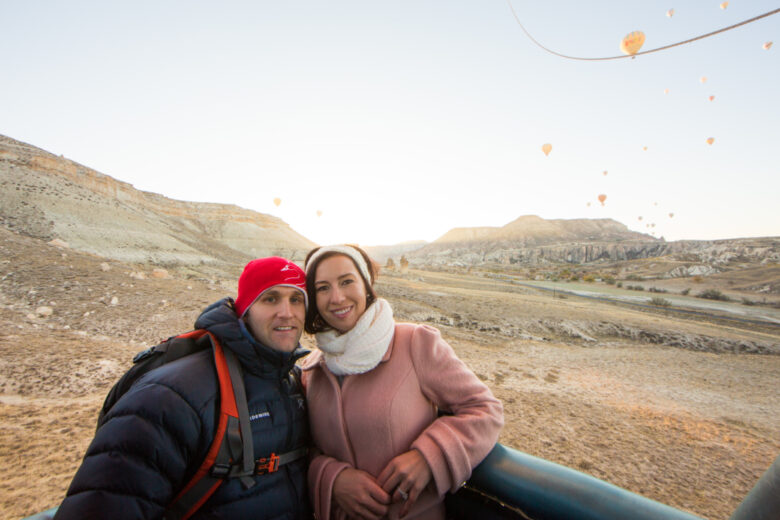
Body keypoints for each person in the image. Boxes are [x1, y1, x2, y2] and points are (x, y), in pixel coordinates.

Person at [55, 257, 313, 519]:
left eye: (296, 299)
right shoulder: (171, 396)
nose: (286, 312)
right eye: (270, 298)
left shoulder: (293, 380)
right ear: (245, 309)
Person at [301, 245, 503, 520]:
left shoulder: (414, 343)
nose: (336, 297)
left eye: (347, 281)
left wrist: (429, 457)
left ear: (366, 285)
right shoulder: (312, 369)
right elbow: (304, 448)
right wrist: (332, 479)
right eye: (322, 288)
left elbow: (484, 409)